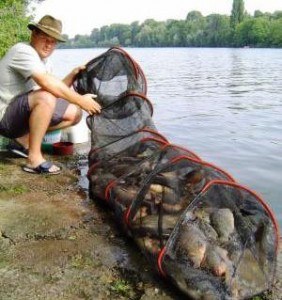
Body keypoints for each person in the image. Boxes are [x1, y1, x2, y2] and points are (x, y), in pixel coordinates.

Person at [0, 15, 101, 175]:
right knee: (45, 98)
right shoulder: (23, 50)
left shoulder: (45, 62)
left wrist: (73, 74)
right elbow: (46, 85)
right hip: (4, 117)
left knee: (74, 113)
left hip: (19, 116)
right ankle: (33, 160)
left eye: (53, 41)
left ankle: (23, 141)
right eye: (45, 38)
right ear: (33, 34)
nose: (49, 44)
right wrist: (81, 100)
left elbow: (54, 90)